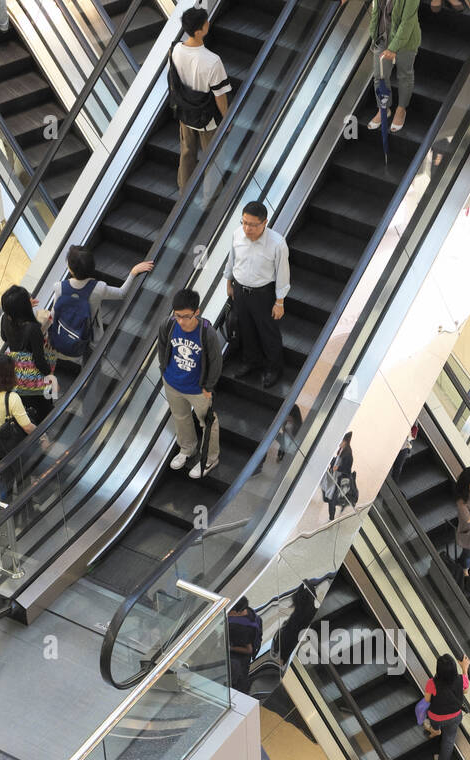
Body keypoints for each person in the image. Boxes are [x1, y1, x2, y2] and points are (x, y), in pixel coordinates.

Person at [50, 245, 153, 367]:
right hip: (91, 340)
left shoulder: (59, 287)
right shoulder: (98, 289)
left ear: (71, 270)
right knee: (91, 364)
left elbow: (53, 314)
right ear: (92, 267)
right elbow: (122, 293)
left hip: (63, 337)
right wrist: (133, 272)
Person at [158, 287, 223, 478]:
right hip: (172, 383)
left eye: (186, 316)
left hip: (198, 389)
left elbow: (216, 362)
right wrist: (164, 370)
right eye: (177, 315)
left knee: (208, 422)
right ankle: (187, 449)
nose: (181, 321)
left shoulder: (207, 333)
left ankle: (211, 458)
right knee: (180, 417)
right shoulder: (168, 324)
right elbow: (162, 347)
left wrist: (208, 387)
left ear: (197, 312)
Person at [224, 201, 290, 389]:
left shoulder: (277, 244)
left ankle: (273, 368)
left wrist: (279, 302)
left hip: (263, 293)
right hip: (240, 290)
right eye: (244, 222)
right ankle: (250, 361)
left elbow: (283, 274)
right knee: (245, 328)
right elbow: (232, 260)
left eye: (252, 224)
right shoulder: (237, 234)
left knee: (268, 332)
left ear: (264, 223)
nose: (247, 228)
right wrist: (229, 282)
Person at [168, 7, 231, 190]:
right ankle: (210, 198)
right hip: (206, 119)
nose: (208, 23)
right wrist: (226, 119)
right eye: (206, 23)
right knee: (213, 157)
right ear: (199, 31)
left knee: (187, 153)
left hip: (185, 112)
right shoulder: (212, 61)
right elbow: (220, 96)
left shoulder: (175, 49)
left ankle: (184, 190)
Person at [0, 285, 56, 421]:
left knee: (26, 403)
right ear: (25, 306)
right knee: (42, 406)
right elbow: (39, 361)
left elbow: (4, 337)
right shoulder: (33, 328)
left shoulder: (5, 318)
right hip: (33, 376)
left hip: (17, 371)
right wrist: (50, 375)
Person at [367, 0, 421, 135]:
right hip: (382, 37)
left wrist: (393, 48)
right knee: (379, 76)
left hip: (406, 40)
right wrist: (373, 35)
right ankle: (383, 109)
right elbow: (376, 12)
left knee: (404, 75)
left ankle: (401, 109)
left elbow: (407, 23)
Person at [0, 356, 35, 473]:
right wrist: (43, 437)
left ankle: (4, 491)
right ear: (8, 376)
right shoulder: (12, 398)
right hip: (10, 441)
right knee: (22, 473)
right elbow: (27, 427)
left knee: (4, 472)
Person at [421, 653, 470, 760]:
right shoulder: (460, 679)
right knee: (449, 740)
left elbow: (427, 700)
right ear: (454, 669)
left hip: (436, 716)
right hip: (455, 716)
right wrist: (464, 668)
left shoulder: (432, 683)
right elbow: (466, 690)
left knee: (433, 722)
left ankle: (435, 730)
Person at [228, 596, 263, 693]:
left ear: (237, 612)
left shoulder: (239, 629)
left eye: (230, 609)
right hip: (245, 661)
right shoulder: (252, 615)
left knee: (236, 687)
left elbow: (249, 650)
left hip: (239, 660)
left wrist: (229, 648)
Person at [325, 432, 355, 521]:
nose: (339, 442)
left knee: (332, 499)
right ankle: (331, 517)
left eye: (341, 441)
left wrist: (337, 468)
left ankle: (331, 519)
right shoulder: (342, 449)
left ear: (345, 442)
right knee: (330, 498)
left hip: (340, 480)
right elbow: (337, 460)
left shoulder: (348, 453)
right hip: (335, 477)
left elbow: (347, 468)